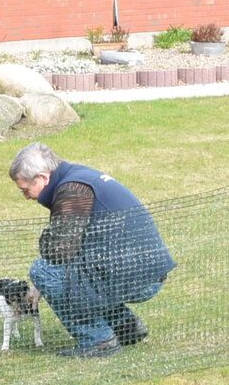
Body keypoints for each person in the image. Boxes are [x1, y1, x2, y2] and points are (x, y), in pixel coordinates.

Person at [9, 142, 176, 358]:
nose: (27, 196)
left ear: (41, 177)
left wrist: (45, 239)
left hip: (139, 277)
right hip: (146, 269)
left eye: (25, 190)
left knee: (44, 271)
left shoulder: (72, 191)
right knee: (82, 275)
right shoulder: (78, 177)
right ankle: (125, 327)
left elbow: (60, 250)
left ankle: (98, 341)